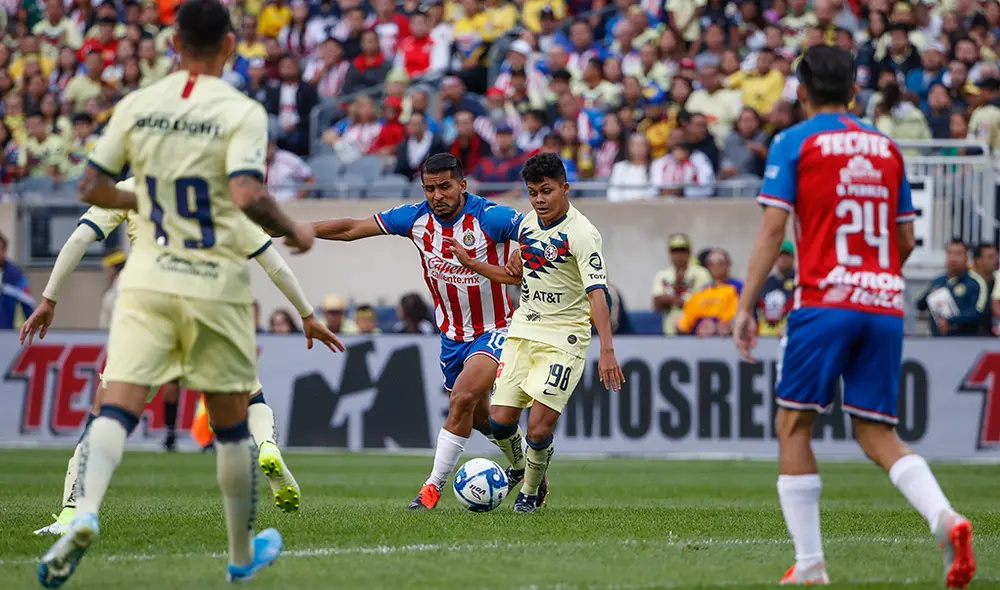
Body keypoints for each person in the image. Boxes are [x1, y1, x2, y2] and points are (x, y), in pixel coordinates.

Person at [35, 1, 328, 584]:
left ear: (172, 41)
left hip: (145, 282)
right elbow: (246, 191)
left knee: (115, 407)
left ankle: (83, 513)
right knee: (231, 422)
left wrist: (147, 199)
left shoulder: (138, 105)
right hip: (212, 285)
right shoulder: (240, 110)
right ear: (228, 45)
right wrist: (292, 227)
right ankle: (242, 555)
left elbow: (90, 185)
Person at [732, 45, 975, 587]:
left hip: (823, 301)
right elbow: (906, 237)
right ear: (854, 92)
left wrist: (746, 306)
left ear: (801, 91)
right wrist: (876, 277)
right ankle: (945, 517)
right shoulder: (886, 147)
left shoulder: (795, 141)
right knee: (877, 431)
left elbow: (773, 230)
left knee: (794, 423)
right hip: (884, 304)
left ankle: (812, 565)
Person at [25, 175, 340, 533]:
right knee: (251, 397)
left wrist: (49, 299)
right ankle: (266, 444)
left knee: (104, 415)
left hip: (148, 317)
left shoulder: (132, 187)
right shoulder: (219, 196)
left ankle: (73, 512)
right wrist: (307, 315)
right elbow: (274, 264)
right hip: (208, 312)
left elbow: (80, 237)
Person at [311, 153, 523, 511]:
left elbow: (538, 231)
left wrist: (523, 250)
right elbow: (351, 228)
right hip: (452, 336)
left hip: (497, 328)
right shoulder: (414, 218)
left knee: (461, 398)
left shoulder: (490, 217)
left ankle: (430, 489)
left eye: (445, 186)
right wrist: (300, 229)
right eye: (430, 188)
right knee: (480, 418)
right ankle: (526, 467)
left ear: (462, 185)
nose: (437, 195)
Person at [453, 152, 624, 513]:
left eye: (546, 191)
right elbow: (517, 276)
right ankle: (526, 469)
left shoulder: (583, 234)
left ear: (565, 188)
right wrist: (474, 264)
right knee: (499, 422)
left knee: (538, 431)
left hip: (565, 338)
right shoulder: (529, 224)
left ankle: (530, 492)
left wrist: (606, 348)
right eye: (532, 193)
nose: (539, 200)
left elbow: (597, 293)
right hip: (524, 329)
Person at [915, 239, 988, 337]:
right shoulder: (938, 281)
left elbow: (979, 312)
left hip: (965, 340)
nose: (953, 258)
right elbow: (920, 305)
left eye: (958, 254)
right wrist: (929, 295)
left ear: (966, 257)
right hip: (937, 340)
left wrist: (950, 321)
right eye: (950, 253)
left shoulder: (976, 282)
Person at [757, 239, 796, 337]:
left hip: (790, 335)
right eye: (779, 255)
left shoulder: (799, 281)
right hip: (764, 336)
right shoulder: (765, 282)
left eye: (786, 256)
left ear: (793, 258)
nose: (783, 259)